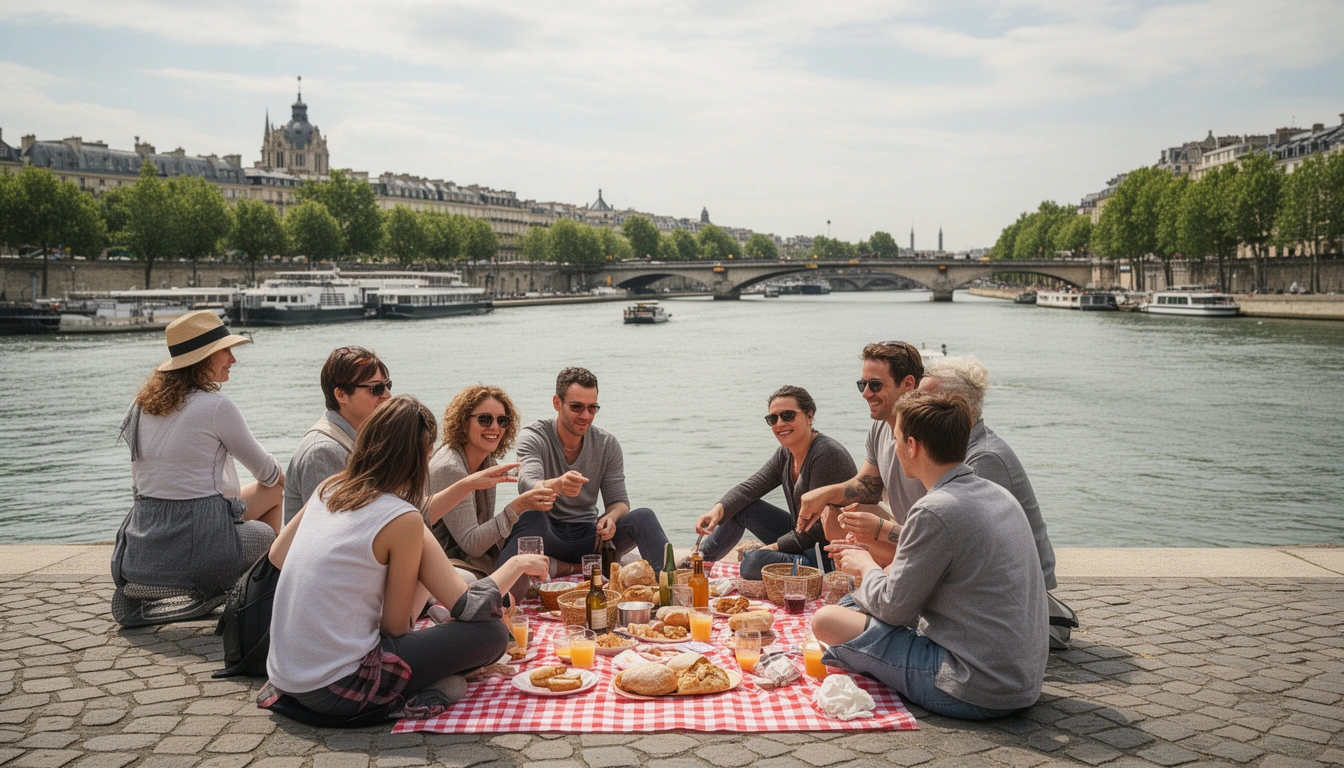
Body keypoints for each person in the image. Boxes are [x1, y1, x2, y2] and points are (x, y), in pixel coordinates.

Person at [261, 395, 547, 719]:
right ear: (417, 460)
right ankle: (420, 692)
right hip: (340, 688)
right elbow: (396, 628)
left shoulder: (330, 488)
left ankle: (436, 678)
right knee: (492, 635)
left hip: (286, 675)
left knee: (451, 622)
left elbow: (279, 554)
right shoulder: (402, 518)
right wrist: (517, 564)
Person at [813, 391, 1048, 720]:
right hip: (1021, 677)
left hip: (977, 685)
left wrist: (864, 564)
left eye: (895, 439)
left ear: (912, 446)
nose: (894, 449)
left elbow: (894, 609)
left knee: (827, 621)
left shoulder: (936, 509)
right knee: (861, 601)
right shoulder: (999, 495)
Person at [112, 311, 284, 627]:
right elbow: (267, 473)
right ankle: (260, 594)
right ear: (202, 358)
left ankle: (242, 588)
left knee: (254, 496)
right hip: (201, 547)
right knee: (272, 502)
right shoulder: (216, 407)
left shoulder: (140, 406)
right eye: (225, 351)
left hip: (144, 543)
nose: (233, 359)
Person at [498, 367, 671, 595]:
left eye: (592, 408)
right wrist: (557, 485)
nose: (586, 415)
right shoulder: (534, 436)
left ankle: (671, 593)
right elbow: (527, 484)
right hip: (548, 536)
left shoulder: (606, 443)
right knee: (530, 518)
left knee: (644, 517)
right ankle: (498, 604)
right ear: (557, 403)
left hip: (591, 538)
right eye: (577, 407)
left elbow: (619, 502)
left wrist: (610, 518)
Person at [693, 385, 856, 578]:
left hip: (826, 553)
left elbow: (819, 530)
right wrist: (717, 511)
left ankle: (760, 558)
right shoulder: (786, 454)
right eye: (773, 418)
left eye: (787, 416)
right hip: (801, 537)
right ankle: (700, 562)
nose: (779, 424)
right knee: (741, 507)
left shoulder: (826, 454)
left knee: (752, 564)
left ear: (809, 416)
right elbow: (750, 488)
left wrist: (773, 548)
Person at [795, 341, 928, 553]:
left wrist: (881, 529)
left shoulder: (930, 433)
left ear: (908, 384)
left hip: (929, 538)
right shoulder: (879, 428)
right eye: (862, 384)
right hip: (907, 530)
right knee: (833, 517)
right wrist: (824, 494)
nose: (865, 393)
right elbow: (869, 487)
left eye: (875, 385)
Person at [427, 385, 558, 578]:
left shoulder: (485, 459)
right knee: (520, 570)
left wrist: (557, 482)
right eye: (485, 419)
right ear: (463, 422)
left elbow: (518, 471)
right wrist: (517, 506)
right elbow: (472, 545)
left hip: (470, 559)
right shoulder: (450, 468)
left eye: (502, 420)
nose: (495, 427)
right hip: (445, 565)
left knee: (534, 520)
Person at [283, 346, 392, 523]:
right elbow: (328, 528)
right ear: (341, 394)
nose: (387, 395)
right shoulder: (322, 452)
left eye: (387, 385)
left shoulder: (362, 439)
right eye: (376, 388)